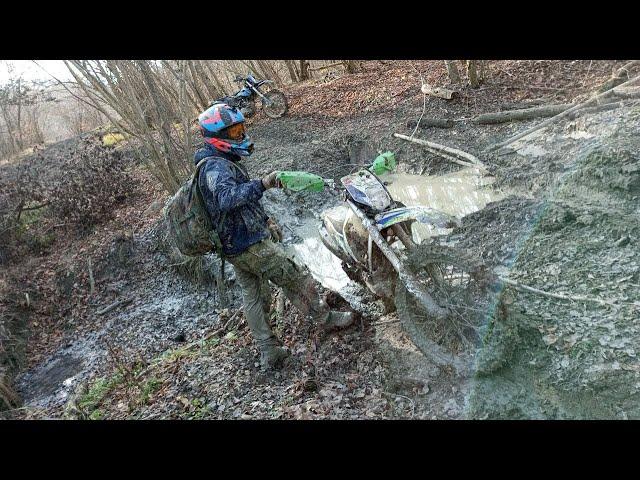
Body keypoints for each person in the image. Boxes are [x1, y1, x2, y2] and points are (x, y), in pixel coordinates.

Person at [194, 103, 354, 369]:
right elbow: (225, 199)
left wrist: (265, 219)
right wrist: (263, 184)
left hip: (234, 242)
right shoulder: (214, 168)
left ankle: (268, 350)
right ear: (217, 136)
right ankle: (326, 320)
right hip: (246, 243)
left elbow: (237, 203)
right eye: (233, 132)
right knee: (293, 274)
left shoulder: (218, 162)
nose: (240, 135)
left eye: (240, 129)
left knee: (253, 294)